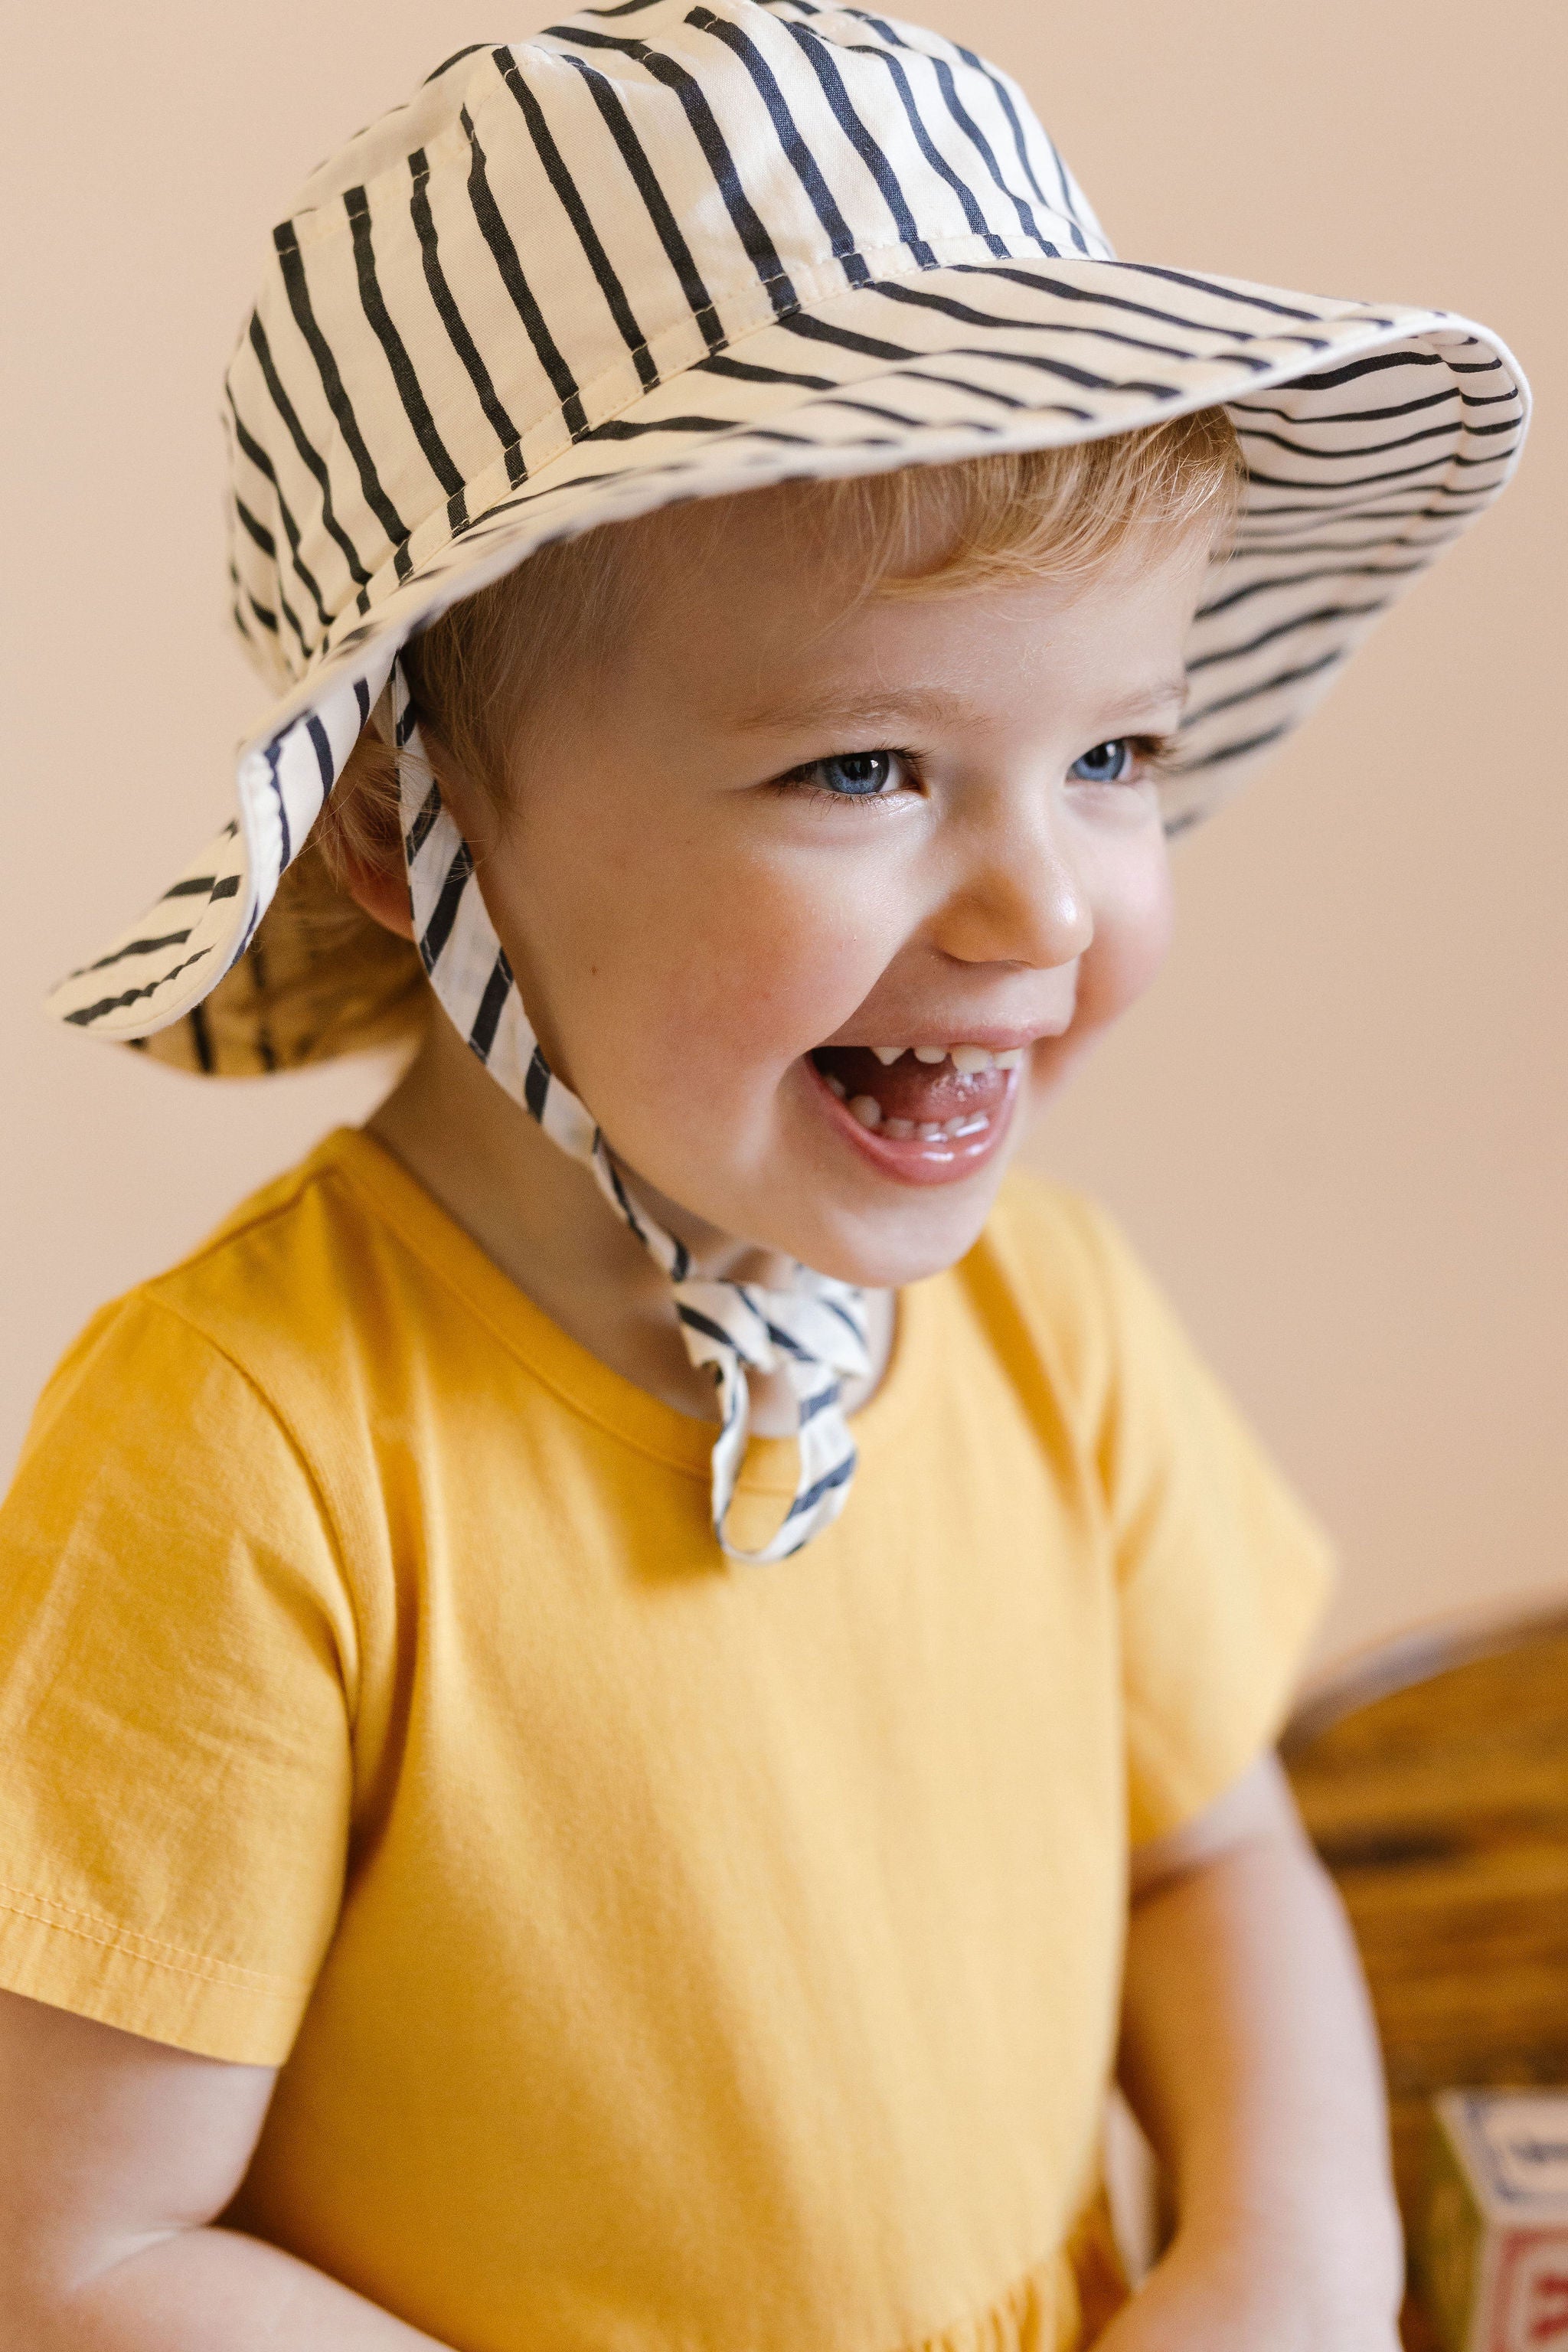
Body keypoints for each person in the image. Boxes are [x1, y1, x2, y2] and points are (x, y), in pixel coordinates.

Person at [0, 5, 1527, 2347]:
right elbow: (81, 2250)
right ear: (412, 825)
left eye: (1115, 751)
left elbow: (1209, 1858)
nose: (1043, 906)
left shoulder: (1050, 1325)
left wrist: (1281, 2260)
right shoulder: (251, 1456)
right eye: (864, 770)